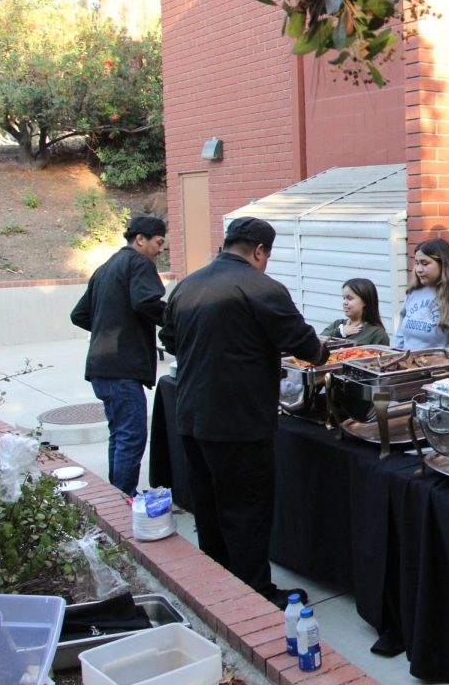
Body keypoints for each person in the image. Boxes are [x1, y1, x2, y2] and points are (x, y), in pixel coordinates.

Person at [159, 217, 326, 607]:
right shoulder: (262, 287)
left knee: (211, 504)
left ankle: (217, 580)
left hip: (191, 415)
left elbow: (170, 341)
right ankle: (255, 591)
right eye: (267, 255)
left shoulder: (187, 285)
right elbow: (306, 346)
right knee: (246, 509)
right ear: (259, 251)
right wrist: (322, 353)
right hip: (239, 421)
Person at [69, 215, 168, 496]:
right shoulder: (139, 262)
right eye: (159, 243)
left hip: (101, 368)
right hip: (122, 369)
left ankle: (116, 497)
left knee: (120, 435)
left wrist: (110, 326)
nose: (160, 250)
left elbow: (79, 315)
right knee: (132, 436)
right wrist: (180, 321)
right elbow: (147, 302)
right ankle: (125, 501)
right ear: (140, 239)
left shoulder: (105, 268)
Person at [393, 238, 449, 350]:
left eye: (425, 263)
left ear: (443, 264)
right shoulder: (413, 291)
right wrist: (395, 354)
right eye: (416, 263)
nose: (419, 269)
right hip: (406, 363)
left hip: (439, 364)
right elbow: (400, 334)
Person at [321, 278, 389, 346]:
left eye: (349, 298)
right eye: (344, 298)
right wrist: (340, 332)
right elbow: (317, 343)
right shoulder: (338, 324)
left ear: (365, 301)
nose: (344, 302)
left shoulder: (377, 334)